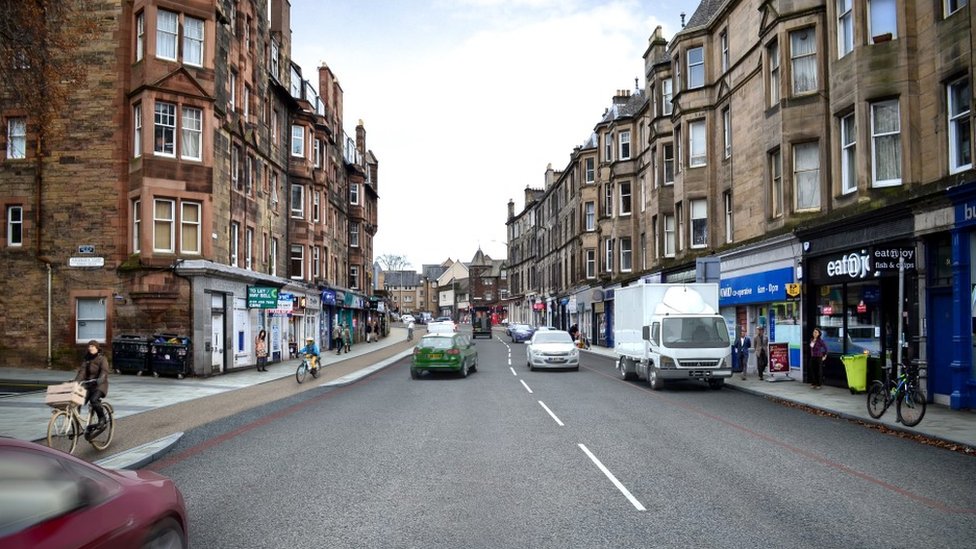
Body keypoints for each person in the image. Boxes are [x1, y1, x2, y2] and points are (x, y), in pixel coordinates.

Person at [73, 340, 110, 437]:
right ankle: (76, 424)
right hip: (88, 385)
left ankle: (102, 418)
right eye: (89, 346)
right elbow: (82, 372)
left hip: (100, 385)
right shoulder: (87, 359)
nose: (90, 348)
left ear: (97, 348)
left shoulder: (102, 359)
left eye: (92, 346)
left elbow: (104, 371)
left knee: (94, 400)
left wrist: (99, 380)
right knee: (77, 401)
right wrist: (76, 382)